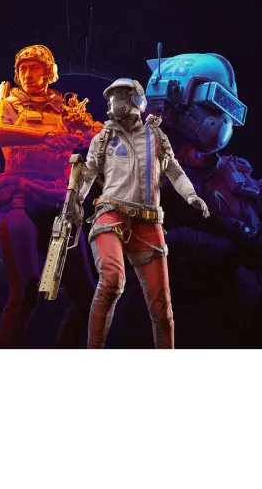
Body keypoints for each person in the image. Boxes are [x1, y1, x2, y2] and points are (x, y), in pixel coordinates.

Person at [106, 52, 262, 352]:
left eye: (229, 106)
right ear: (174, 98)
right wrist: (189, 242)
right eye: (215, 101)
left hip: (233, 321)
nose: (224, 119)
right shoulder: (134, 164)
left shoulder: (240, 180)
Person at [76, 78, 210, 353]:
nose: (115, 101)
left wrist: (190, 195)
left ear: (136, 99)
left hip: (148, 221)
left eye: (121, 95)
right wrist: (75, 201)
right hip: (110, 214)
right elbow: (88, 173)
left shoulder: (156, 137)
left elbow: (174, 170)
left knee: (162, 307)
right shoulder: (103, 138)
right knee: (112, 280)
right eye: (113, 96)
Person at [0, 44, 102, 351]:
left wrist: (88, 132)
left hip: (59, 204)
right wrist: (45, 136)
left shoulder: (66, 109)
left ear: (48, 71)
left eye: (34, 67)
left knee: (86, 295)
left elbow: (99, 136)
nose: (27, 74)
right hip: (19, 199)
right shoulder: (9, 104)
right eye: (23, 69)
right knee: (24, 293)